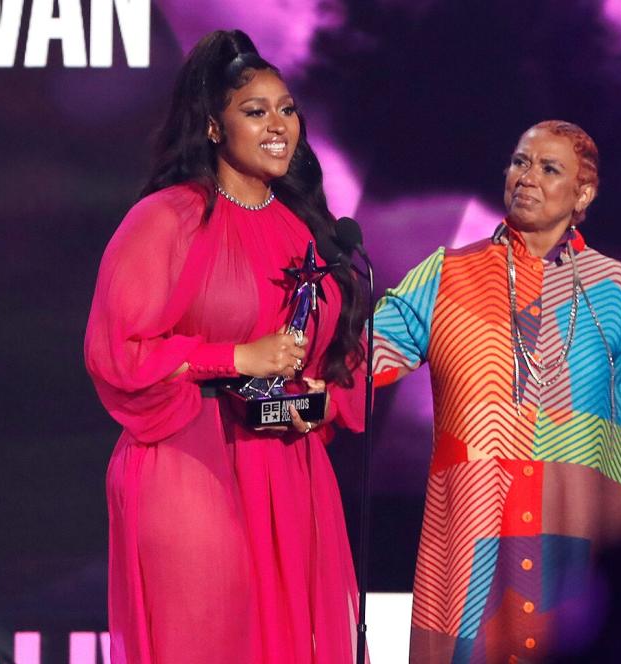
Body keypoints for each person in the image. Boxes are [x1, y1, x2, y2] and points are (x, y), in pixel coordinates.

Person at [84, 30, 366, 664]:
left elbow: (337, 356)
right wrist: (238, 358)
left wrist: (319, 396)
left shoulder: (307, 230)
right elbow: (118, 350)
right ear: (213, 127)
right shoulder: (168, 219)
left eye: (287, 109)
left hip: (287, 472)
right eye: (255, 110)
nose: (278, 125)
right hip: (191, 462)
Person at [372, 120, 621, 663]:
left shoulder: (617, 289)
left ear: (583, 193)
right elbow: (361, 358)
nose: (526, 177)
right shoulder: (447, 273)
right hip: (470, 545)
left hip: (579, 546)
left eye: (548, 168)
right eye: (519, 162)